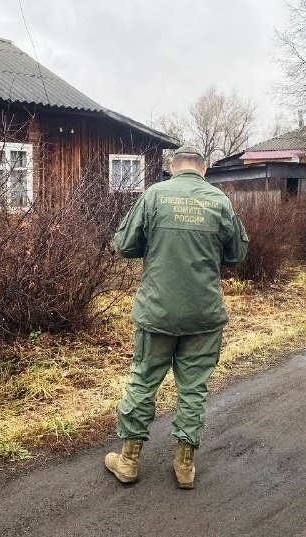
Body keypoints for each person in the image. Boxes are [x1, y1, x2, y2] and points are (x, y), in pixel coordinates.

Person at [105, 146, 248, 489]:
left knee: (143, 380)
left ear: (172, 168)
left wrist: (154, 244)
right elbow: (238, 253)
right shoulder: (220, 201)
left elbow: (123, 245)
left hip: (158, 312)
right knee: (193, 388)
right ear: (204, 170)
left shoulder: (154, 195)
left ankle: (128, 462)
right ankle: (185, 466)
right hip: (203, 314)